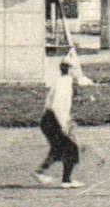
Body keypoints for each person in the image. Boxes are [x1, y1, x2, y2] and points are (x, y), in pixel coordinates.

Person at [34, 54, 95, 188]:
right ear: (70, 70)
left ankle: (41, 172)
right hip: (53, 120)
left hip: (49, 119)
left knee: (59, 149)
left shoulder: (62, 81)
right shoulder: (65, 84)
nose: (77, 71)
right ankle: (65, 180)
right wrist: (64, 125)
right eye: (75, 68)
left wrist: (67, 120)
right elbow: (57, 106)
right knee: (71, 148)